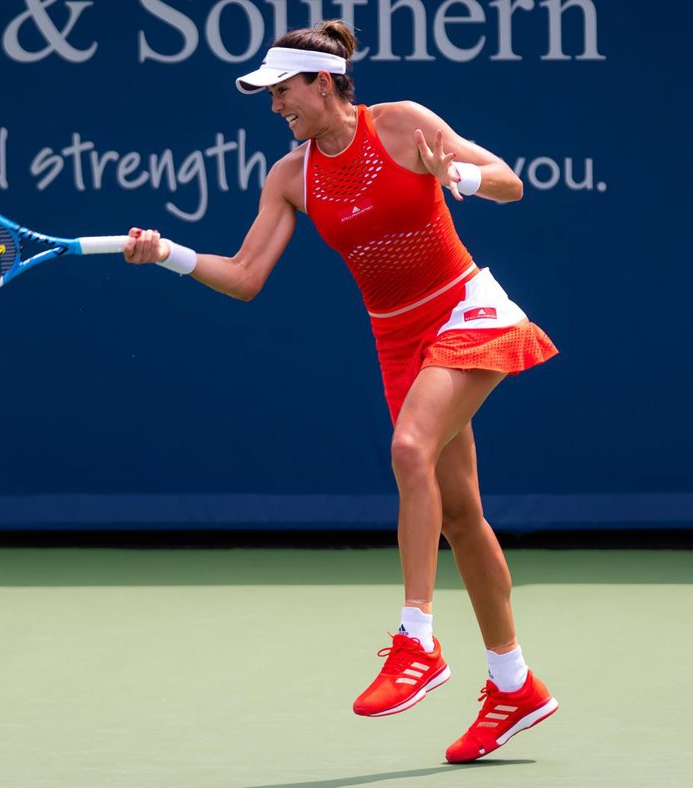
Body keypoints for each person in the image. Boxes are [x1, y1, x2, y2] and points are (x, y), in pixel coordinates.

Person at [123, 20, 558, 763]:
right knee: (460, 515)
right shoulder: (290, 177)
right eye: (269, 96)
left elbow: (510, 184)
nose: (275, 107)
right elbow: (245, 276)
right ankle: (515, 686)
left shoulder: (403, 124)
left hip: (464, 311)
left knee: (410, 448)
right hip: (396, 341)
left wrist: (457, 175)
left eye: (282, 91)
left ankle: (417, 642)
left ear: (322, 83)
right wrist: (168, 254)